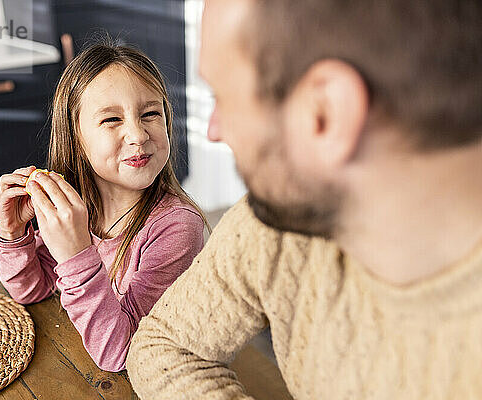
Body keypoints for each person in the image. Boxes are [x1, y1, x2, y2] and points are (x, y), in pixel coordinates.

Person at [127, 0, 482, 398]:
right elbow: (163, 345)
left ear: (326, 114)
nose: (213, 131)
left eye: (223, 97)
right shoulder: (282, 216)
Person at [0, 42, 209, 372]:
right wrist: (12, 232)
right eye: (111, 119)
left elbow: (122, 354)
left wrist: (76, 253)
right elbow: (31, 290)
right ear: (76, 136)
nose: (137, 134)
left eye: (151, 113)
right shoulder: (80, 206)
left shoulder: (177, 227)